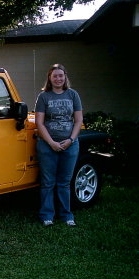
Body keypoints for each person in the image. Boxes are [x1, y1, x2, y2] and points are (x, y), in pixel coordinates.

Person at [34, 64, 83, 226]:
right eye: (55, 76)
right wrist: (51, 143)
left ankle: (66, 215)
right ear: (49, 78)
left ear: (65, 77)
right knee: (48, 182)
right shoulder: (43, 96)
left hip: (70, 145)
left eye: (61, 75)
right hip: (47, 146)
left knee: (64, 182)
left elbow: (78, 121)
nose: (58, 79)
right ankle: (47, 215)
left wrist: (71, 140)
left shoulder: (73, 95)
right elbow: (39, 123)